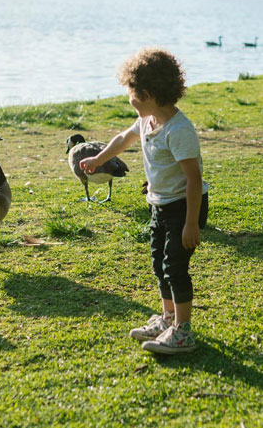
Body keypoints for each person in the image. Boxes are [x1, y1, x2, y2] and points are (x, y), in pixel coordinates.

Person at [80, 48, 208, 355]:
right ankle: (167, 319)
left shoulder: (178, 131)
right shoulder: (147, 120)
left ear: (148, 93)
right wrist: (99, 158)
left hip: (184, 206)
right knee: (159, 263)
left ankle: (183, 331)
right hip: (159, 204)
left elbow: (193, 179)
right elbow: (123, 139)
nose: (129, 99)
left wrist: (191, 223)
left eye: (130, 93)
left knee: (175, 267)